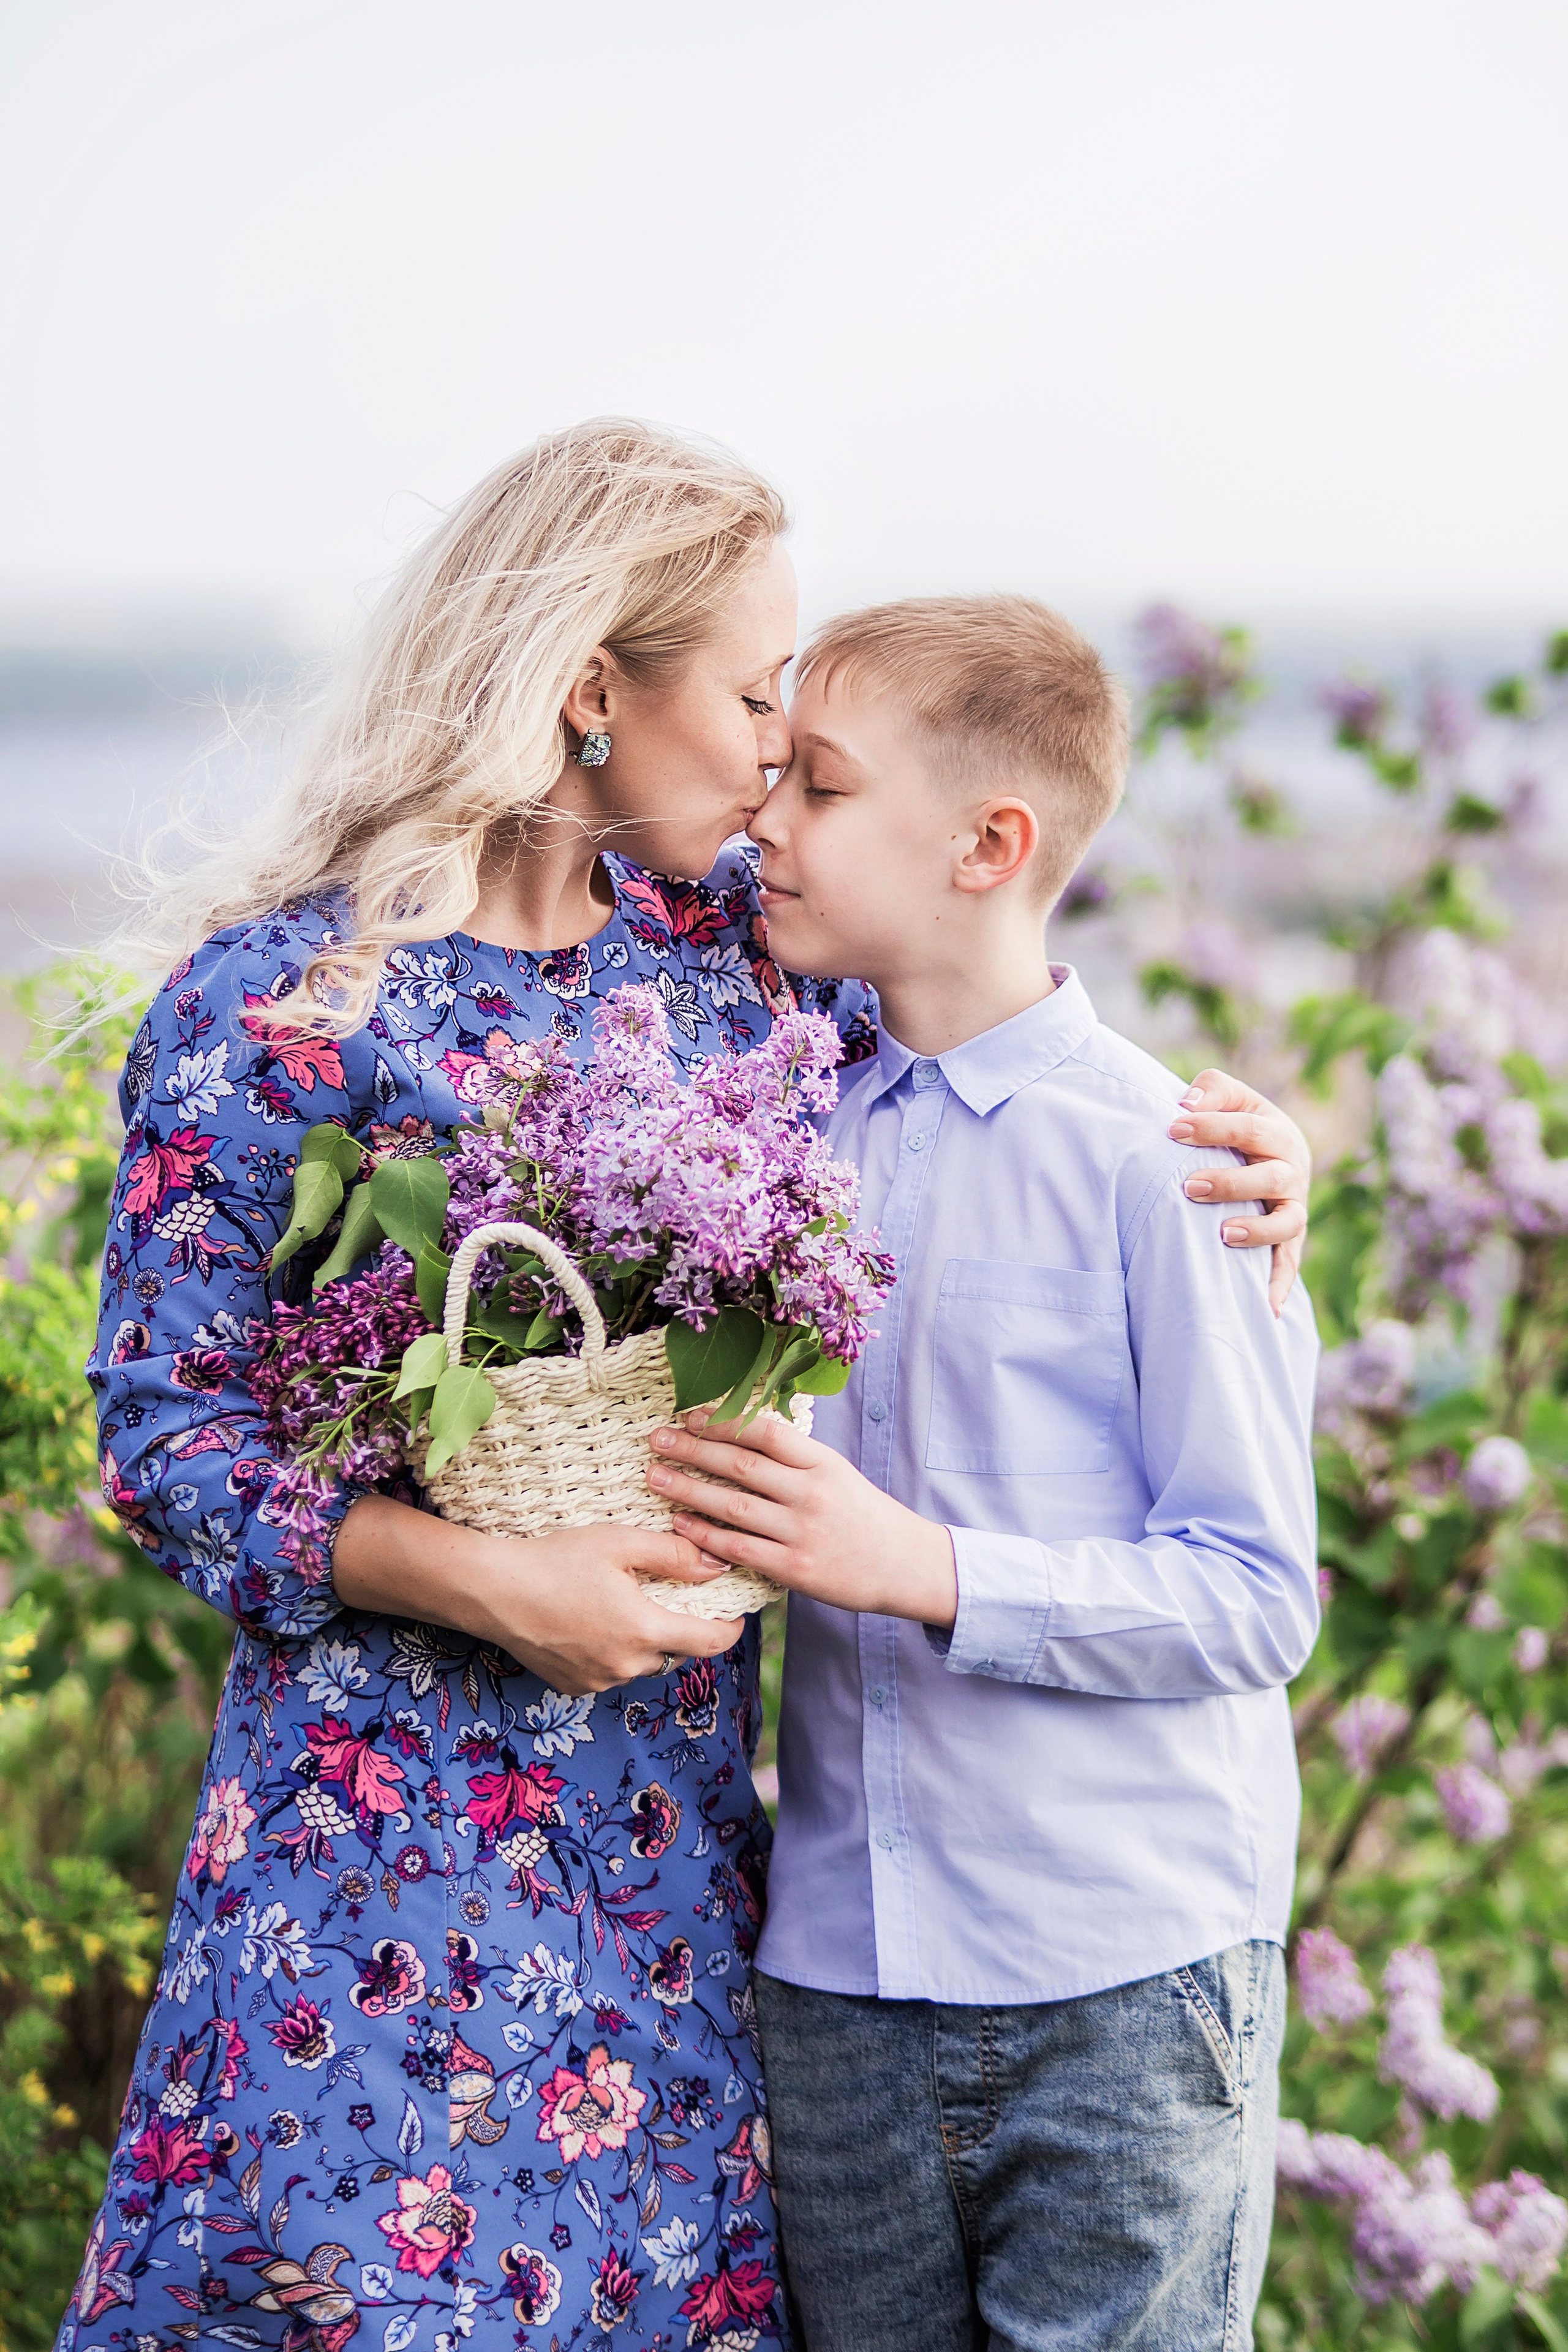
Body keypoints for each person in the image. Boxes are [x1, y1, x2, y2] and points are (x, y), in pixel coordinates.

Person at [60, 430, 1310, 2352]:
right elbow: (167, 1443)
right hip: (375, 1858)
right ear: (589, 690)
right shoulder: (283, 1007)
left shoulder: (746, 962)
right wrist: (489, 1582)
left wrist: (1256, 1169)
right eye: (751, 697)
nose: (773, 754)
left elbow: (1006, 1059)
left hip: (677, 1883)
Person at [646, 595, 1321, 2352]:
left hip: (1120, 1978)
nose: (768, 817)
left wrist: (921, 1567)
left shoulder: (1172, 1164)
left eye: (821, 783)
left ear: (989, 846)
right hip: (837, 1981)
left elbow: (1256, 1598)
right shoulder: (774, 1129)